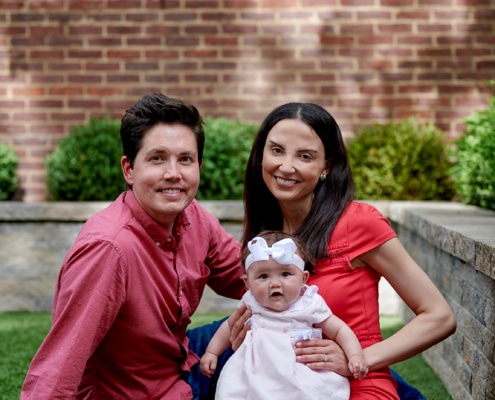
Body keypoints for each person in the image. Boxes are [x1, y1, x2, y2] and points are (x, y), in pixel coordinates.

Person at [20, 93, 246, 399]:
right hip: (137, 393)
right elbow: (60, 361)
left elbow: (251, 275)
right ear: (129, 169)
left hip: (182, 367)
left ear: (199, 166)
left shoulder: (193, 217)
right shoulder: (108, 248)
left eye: (185, 159)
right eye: (157, 158)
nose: (173, 173)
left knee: (269, 324)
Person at [227, 102, 457, 399]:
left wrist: (357, 359)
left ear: (327, 166)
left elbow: (439, 317)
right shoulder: (263, 237)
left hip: (358, 385)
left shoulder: (359, 222)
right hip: (281, 387)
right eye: (276, 150)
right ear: (261, 155)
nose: (286, 166)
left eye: (305, 156)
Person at [200, 231, 368, 400]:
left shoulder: (309, 304)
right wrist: (212, 352)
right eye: (263, 276)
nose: (275, 283)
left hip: (299, 370)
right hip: (254, 371)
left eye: (285, 274)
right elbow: (229, 326)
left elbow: (339, 330)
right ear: (247, 283)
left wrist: (354, 355)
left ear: (303, 278)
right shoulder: (251, 302)